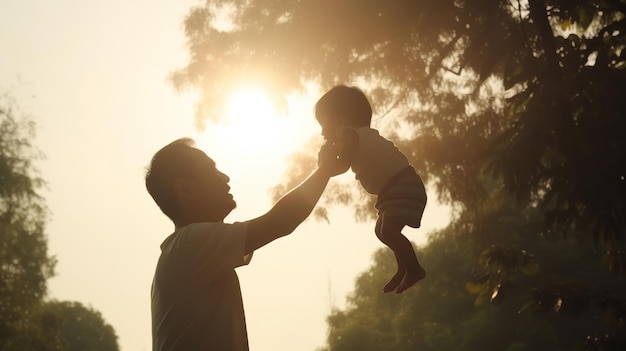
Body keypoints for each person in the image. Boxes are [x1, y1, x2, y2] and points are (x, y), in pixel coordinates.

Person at [145, 137, 344, 351]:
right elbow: (280, 221)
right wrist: (325, 169)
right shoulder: (190, 244)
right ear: (186, 190)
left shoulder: (187, 253)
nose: (225, 178)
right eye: (212, 171)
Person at [315, 84, 428, 294]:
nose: (322, 132)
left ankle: (414, 268)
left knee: (388, 230)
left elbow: (343, 164)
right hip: (394, 189)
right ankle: (404, 266)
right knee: (382, 230)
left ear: (339, 119)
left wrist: (324, 167)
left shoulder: (349, 134)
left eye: (323, 124)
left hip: (401, 186)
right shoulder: (355, 135)